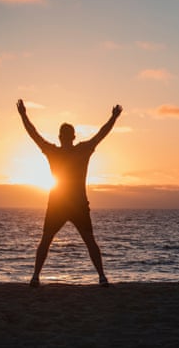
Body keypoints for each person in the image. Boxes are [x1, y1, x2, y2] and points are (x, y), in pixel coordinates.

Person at [16, 99, 122, 287]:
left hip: (68, 204)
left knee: (52, 241)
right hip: (68, 204)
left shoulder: (65, 151)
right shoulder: (79, 150)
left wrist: (24, 115)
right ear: (71, 137)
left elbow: (34, 134)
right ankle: (101, 278)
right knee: (77, 241)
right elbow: (100, 135)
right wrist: (113, 117)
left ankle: (36, 277)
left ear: (63, 137)